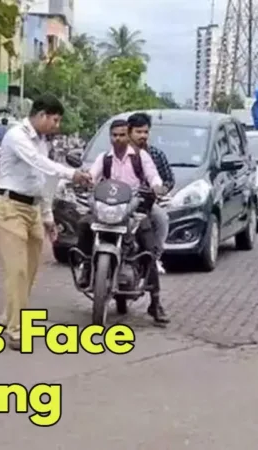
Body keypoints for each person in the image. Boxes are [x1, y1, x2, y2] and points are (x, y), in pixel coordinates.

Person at [0, 94, 92, 350]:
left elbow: (42, 181)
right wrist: (72, 174)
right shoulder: (17, 136)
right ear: (40, 115)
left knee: (29, 270)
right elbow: (39, 163)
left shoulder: (42, 142)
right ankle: (16, 329)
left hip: (33, 209)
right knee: (17, 270)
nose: (56, 126)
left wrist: (47, 216)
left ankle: (8, 317)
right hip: (10, 208)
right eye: (54, 120)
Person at [75, 119, 170, 324]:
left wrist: (156, 186)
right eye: (114, 135)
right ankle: (86, 267)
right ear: (110, 137)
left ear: (128, 135)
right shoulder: (104, 158)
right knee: (83, 224)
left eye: (122, 135)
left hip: (133, 211)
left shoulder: (140, 157)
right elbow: (92, 176)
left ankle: (155, 302)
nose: (118, 139)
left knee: (149, 250)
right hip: (107, 209)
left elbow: (153, 176)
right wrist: (85, 181)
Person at [127, 112, 175, 274]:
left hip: (146, 204)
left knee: (161, 218)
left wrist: (160, 190)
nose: (143, 135)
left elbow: (168, 179)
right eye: (138, 131)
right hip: (120, 202)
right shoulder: (117, 154)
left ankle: (155, 257)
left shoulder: (156, 155)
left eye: (145, 132)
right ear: (129, 131)